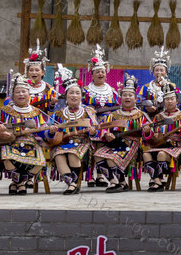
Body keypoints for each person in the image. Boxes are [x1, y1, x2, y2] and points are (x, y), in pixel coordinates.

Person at [0, 74, 54, 195]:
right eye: (17, 92)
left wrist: (50, 132)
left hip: (31, 142)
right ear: (12, 95)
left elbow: (42, 130)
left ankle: (16, 183)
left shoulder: (36, 112)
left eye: (24, 91)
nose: (21, 94)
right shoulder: (3, 111)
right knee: (7, 157)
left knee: (40, 162)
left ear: (29, 94)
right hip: (9, 141)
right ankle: (21, 184)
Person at [47, 64, 98, 195]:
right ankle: (72, 184)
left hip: (82, 143)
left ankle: (73, 184)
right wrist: (51, 131)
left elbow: (97, 129)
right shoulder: (58, 114)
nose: (74, 96)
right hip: (63, 143)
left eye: (77, 93)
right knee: (58, 154)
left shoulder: (88, 111)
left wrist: (93, 132)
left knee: (72, 153)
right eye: (71, 93)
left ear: (81, 96)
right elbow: (48, 131)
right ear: (66, 95)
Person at [94, 74, 149, 193]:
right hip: (115, 143)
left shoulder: (141, 115)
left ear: (135, 99)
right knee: (97, 155)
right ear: (120, 98)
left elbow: (149, 133)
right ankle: (114, 182)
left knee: (110, 158)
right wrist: (106, 134)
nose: (127, 97)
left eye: (130, 95)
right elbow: (103, 128)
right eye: (124, 95)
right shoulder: (113, 115)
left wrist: (147, 130)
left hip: (132, 144)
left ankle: (122, 183)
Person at [142, 80, 181, 191]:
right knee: (146, 154)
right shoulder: (158, 117)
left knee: (161, 154)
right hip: (160, 145)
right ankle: (157, 181)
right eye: (167, 99)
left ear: (177, 101)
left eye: (172, 99)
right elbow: (151, 136)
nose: (169, 101)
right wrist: (148, 132)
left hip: (177, 146)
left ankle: (158, 181)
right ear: (163, 101)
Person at [84, 45, 119, 187]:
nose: (100, 74)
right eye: (97, 72)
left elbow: (117, 107)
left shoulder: (112, 91)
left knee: (103, 146)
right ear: (92, 74)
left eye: (102, 72)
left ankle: (100, 175)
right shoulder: (86, 90)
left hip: (107, 124)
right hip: (91, 122)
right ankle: (90, 176)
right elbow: (82, 106)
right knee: (91, 147)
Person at [139, 46, 179, 117]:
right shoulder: (146, 87)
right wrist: (146, 107)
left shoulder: (172, 86)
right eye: (156, 70)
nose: (159, 73)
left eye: (162, 70)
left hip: (169, 117)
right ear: (153, 72)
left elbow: (178, 103)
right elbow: (138, 102)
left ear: (166, 73)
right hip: (150, 118)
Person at [21, 40, 58, 112]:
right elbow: (9, 100)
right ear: (27, 72)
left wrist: (52, 103)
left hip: (41, 117)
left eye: (37, 70)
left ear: (43, 72)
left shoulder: (48, 88)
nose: (34, 72)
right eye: (31, 70)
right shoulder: (22, 86)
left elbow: (52, 109)